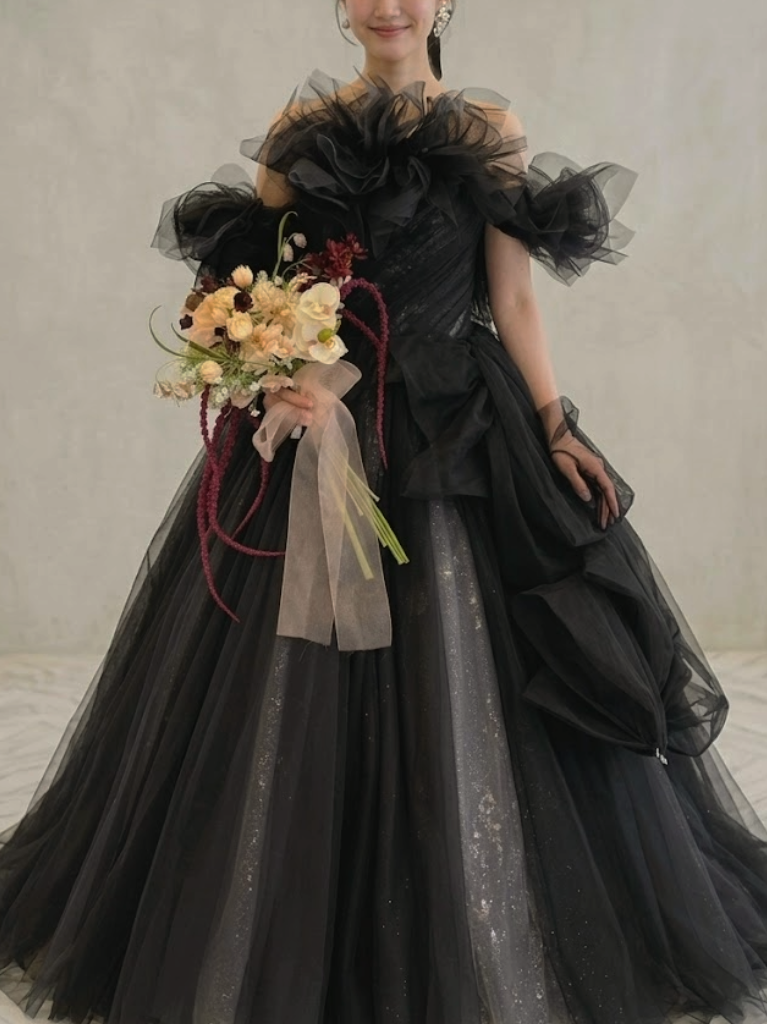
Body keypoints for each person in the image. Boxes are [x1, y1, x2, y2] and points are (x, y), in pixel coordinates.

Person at [0, 2, 765, 1022]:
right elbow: (262, 286)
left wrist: (553, 423)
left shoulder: (488, 128)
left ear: (445, 3)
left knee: (471, 659)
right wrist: (276, 367)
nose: (387, 3)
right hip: (325, 416)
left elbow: (513, 297)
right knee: (287, 671)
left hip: (457, 425)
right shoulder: (298, 134)